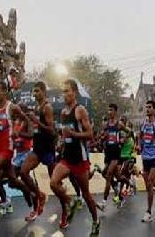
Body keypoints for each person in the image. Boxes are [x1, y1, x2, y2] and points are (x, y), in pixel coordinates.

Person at [50, 79, 100, 236]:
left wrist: (73, 134)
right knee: (53, 183)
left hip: (80, 158)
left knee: (86, 195)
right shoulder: (64, 112)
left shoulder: (80, 110)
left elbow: (90, 134)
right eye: (62, 91)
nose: (64, 94)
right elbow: (65, 134)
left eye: (67, 91)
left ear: (75, 92)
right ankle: (70, 201)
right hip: (67, 157)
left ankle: (95, 221)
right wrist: (61, 142)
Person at [0, 82, 32, 216]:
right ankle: (27, 191)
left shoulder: (11, 107)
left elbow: (27, 121)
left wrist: (18, 131)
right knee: (12, 180)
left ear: (5, 92)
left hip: (7, 150)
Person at [20, 81, 55, 221]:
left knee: (55, 184)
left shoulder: (47, 107)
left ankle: (66, 206)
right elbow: (36, 130)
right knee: (23, 172)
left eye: (37, 91)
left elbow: (51, 130)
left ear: (44, 91)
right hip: (37, 149)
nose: (34, 94)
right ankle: (40, 195)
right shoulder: (36, 107)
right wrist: (31, 121)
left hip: (48, 149)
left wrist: (37, 121)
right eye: (33, 92)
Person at [99, 104, 121, 209]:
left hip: (115, 153)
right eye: (108, 110)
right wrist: (103, 137)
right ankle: (119, 191)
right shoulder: (105, 124)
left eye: (111, 110)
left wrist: (122, 140)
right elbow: (102, 136)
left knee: (108, 175)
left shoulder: (119, 124)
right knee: (110, 174)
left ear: (115, 111)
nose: (109, 112)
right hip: (108, 153)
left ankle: (104, 202)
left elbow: (129, 132)